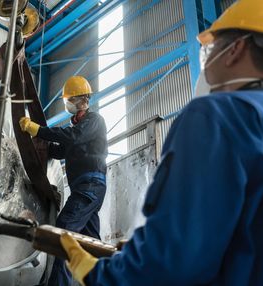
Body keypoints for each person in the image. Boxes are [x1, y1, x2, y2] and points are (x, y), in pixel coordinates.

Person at [56, 0, 263, 285]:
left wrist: (100, 276)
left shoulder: (218, 116)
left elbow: (171, 260)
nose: (206, 62)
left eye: (209, 51)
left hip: (90, 184)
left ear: (236, 49)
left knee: (66, 230)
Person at [19, 76, 108, 286]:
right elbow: (60, 150)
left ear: (81, 100)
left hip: (91, 185)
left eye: (69, 99)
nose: (67, 103)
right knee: (93, 244)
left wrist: (38, 130)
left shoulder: (94, 121)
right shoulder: (77, 127)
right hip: (83, 188)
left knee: (63, 232)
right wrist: (38, 144)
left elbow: (73, 137)